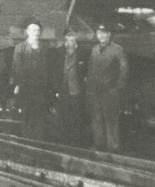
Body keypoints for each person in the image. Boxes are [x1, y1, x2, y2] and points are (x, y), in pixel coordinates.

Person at [87, 23, 129, 153]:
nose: (102, 36)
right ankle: (99, 146)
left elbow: (124, 69)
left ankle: (113, 149)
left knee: (111, 121)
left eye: (104, 33)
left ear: (109, 35)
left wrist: (118, 87)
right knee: (96, 120)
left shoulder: (117, 49)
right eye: (99, 33)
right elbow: (90, 70)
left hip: (110, 91)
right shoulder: (94, 50)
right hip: (96, 91)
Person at [11, 17, 51, 141]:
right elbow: (16, 68)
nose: (36, 33)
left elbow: (48, 68)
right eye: (33, 30)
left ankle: (38, 140)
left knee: (40, 113)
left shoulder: (44, 48)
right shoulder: (20, 48)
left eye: (38, 30)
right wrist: (18, 85)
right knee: (26, 113)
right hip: (26, 87)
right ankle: (27, 139)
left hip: (40, 88)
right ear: (28, 32)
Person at [55, 30, 85, 146]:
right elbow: (55, 71)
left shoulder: (82, 52)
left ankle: (76, 141)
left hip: (76, 89)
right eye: (68, 38)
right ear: (65, 39)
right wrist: (55, 89)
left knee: (76, 115)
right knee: (63, 115)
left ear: (76, 39)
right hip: (63, 89)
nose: (70, 41)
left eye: (73, 38)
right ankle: (63, 141)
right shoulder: (59, 52)